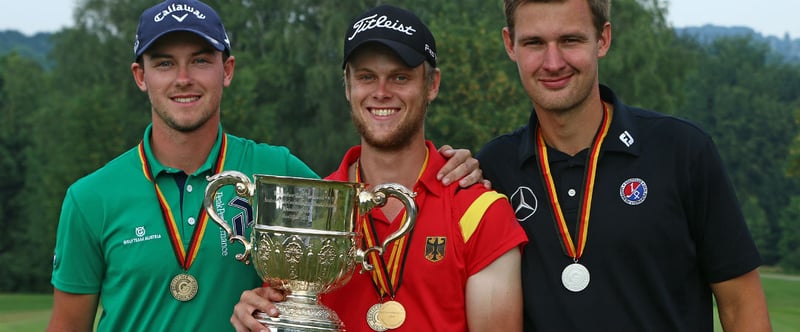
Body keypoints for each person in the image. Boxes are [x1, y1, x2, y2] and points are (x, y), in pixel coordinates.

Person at [45, 1, 484, 331]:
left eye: (200, 60)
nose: (183, 78)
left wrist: (455, 167)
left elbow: (368, 222)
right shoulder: (90, 198)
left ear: (227, 70)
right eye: (164, 64)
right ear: (141, 76)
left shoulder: (276, 168)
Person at [475, 0, 772, 331]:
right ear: (509, 44)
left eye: (570, 41)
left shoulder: (682, 150)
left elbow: (741, 306)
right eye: (534, 43)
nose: (553, 62)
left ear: (603, 39)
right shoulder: (492, 169)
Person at [230, 5, 528, 332]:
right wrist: (261, 317)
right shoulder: (311, 211)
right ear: (347, 86)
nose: (381, 92)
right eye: (366, 77)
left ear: (432, 85)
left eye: (400, 77)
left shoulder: (478, 211)